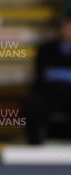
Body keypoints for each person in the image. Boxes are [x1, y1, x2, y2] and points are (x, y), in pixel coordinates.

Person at [25, 16, 71, 144]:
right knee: (32, 102)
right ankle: (34, 143)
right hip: (51, 92)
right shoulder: (46, 49)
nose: (69, 31)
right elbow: (40, 76)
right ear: (61, 29)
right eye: (67, 27)